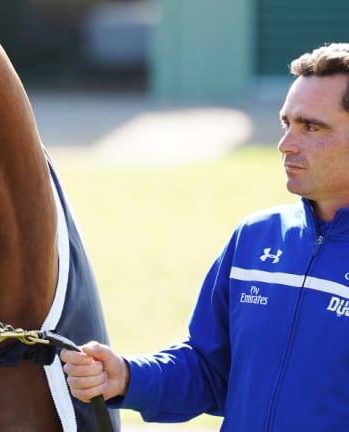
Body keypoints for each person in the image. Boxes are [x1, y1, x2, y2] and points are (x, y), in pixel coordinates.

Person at [60, 42, 349, 431]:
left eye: (311, 127)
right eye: (287, 123)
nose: (286, 144)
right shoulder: (255, 238)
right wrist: (128, 377)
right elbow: (211, 370)